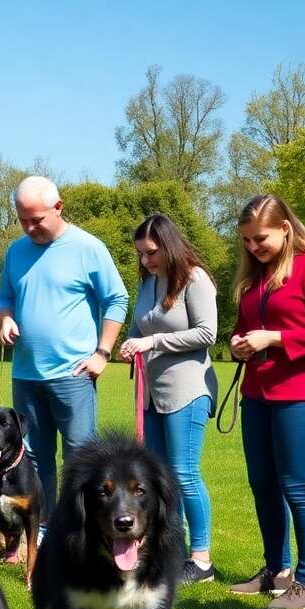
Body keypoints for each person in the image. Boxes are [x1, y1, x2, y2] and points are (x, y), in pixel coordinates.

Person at [226, 194, 305, 609]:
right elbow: (245, 327)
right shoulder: (254, 278)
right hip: (257, 393)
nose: (252, 247)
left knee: (297, 485)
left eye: (259, 239)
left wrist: (275, 338)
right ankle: (276, 571)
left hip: (303, 394)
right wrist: (239, 343)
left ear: (284, 229)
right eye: (245, 241)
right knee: (263, 485)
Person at [0, 175, 129, 534]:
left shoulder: (88, 248)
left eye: (36, 219)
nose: (29, 227)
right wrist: (6, 318)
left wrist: (103, 352)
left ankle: (79, 530)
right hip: (26, 374)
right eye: (22, 220)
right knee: (32, 458)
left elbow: (117, 299)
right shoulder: (15, 252)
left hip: (74, 375)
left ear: (59, 208)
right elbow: (4, 297)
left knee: (81, 459)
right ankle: (39, 532)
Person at [118, 213, 218, 585]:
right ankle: (169, 550)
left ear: (169, 245)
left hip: (187, 391)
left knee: (185, 474)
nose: (146, 260)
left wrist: (153, 342)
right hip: (152, 394)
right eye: (141, 254)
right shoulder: (147, 285)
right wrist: (129, 345)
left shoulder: (195, 280)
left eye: (152, 252)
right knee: (159, 477)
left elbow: (208, 332)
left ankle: (202, 558)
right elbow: (138, 326)